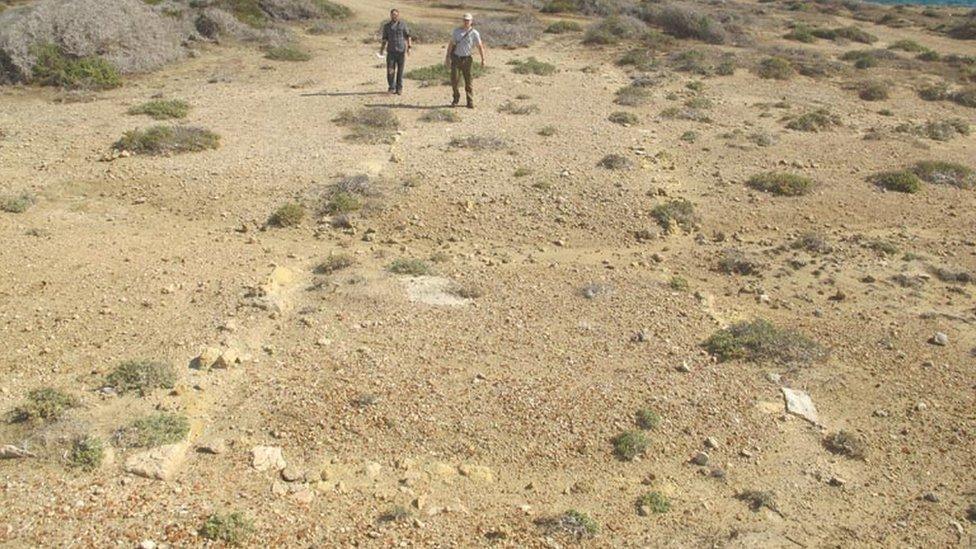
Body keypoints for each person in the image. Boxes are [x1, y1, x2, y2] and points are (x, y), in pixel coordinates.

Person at [445, 13, 486, 108]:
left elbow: (480, 46)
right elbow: (451, 44)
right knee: (454, 80)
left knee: (469, 81)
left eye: (468, 20)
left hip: (467, 59)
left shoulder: (475, 33)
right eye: (465, 20)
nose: (466, 22)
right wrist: (447, 57)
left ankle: (470, 101)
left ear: (471, 21)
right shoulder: (457, 31)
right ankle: (456, 98)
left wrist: (483, 59)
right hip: (456, 58)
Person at [380, 9, 412, 95]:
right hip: (391, 52)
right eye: (393, 15)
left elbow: (408, 36)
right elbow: (384, 39)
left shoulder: (403, 25)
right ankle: (391, 87)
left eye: (396, 15)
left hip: (401, 51)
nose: (395, 16)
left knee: (400, 71)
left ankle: (399, 88)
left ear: (398, 15)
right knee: (390, 70)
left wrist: (409, 47)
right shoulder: (386, 26)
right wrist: (381, 50)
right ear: (390, 15)